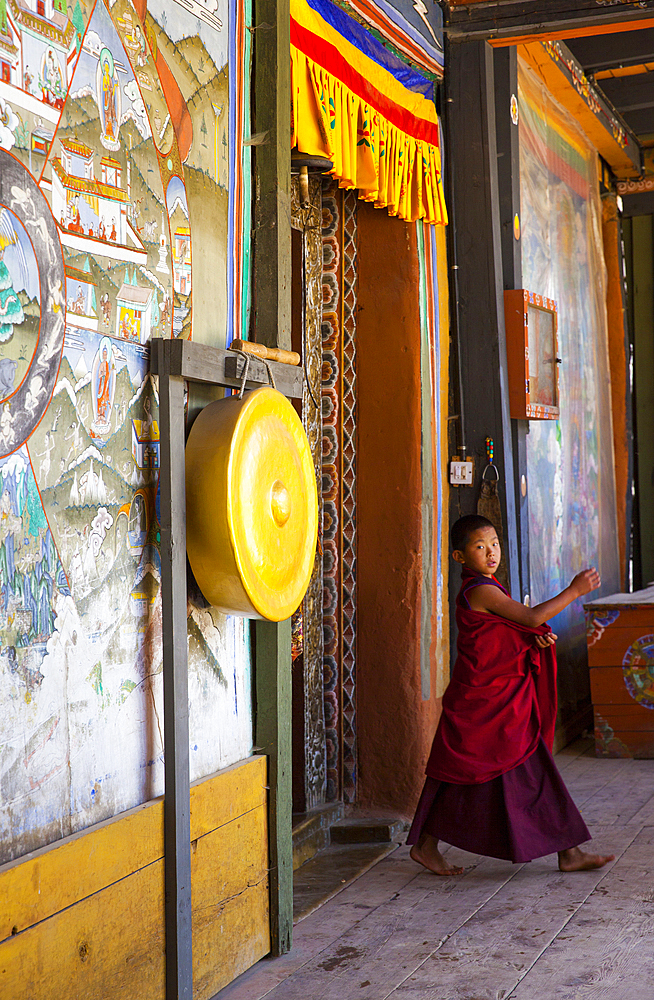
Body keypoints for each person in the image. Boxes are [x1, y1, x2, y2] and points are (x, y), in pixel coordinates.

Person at [408, 514, 614, 877]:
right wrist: (575, 590)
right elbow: (532, 617)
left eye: (495, 544)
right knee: (482, 772)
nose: (491, 553)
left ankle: (568, 851)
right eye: (479, 546)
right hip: (487, 701)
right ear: (459, 557)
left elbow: (507, 634)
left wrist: (529, 642)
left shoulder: (488, 587)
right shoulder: (481, 590)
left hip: (499, 699)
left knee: (485, 772)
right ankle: (569, 852)